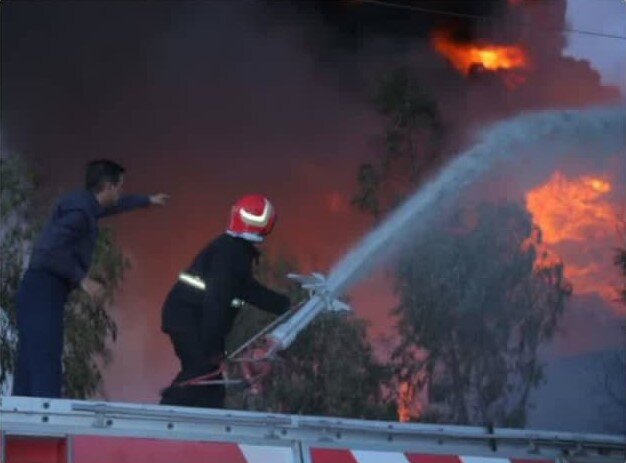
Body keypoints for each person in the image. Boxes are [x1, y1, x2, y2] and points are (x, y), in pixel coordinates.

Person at [12, 159, 169, 398]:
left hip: (40, 291)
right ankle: (48, 420)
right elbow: (47, 252)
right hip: (43, 290)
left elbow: (115, 206)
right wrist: (83, 279)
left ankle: (23, 419)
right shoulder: (79, 213)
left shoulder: (84, 204)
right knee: (45, 358)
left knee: (30, 359)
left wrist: (147, 200)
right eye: (119, 187)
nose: (120, 193)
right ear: (108, 186)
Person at [160, 194, 291, 408]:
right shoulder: (231, 252)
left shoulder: (233, 249)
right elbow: (216, 300)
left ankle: (209, 429)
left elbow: (247, 289)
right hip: (189, 317)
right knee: (202, 370)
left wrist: (284, 305)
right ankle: (164, 419)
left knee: (212, 382)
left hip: (190, 316)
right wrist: (213, 349)